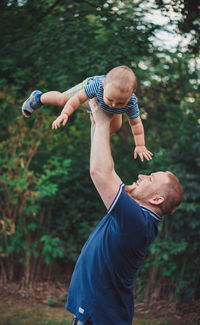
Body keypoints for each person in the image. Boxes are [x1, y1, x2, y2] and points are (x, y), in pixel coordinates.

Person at [66, 99, 183, 325]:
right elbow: (104, 167)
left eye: (150, 178)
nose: (141, 176)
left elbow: (100, 172)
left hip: (100, 317)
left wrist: (102, 123)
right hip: (96, 313)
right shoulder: (137, 218)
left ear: (156, 199)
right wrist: (96, 120)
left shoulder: (137, 222)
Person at [22, 66, 152, 162]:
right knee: (62, 99)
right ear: (104, 84)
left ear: (132, 93)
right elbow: (77, 99)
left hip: (103, 105)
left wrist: (140, 145)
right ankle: (38, 98)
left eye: (120, 103)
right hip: (87, 95)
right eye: (111, 99)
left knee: (117, 125)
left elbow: (136, 124)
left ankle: (98, 139)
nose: (113, 104)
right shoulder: (97, 85)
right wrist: (65, 114)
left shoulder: (131, 102)